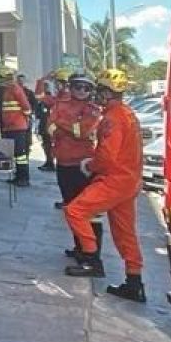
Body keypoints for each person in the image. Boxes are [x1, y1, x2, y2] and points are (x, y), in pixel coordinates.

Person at [62, 68, 146, 301]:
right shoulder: (128, 114)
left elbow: (107, 156)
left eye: (99, 90)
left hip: (115, 180)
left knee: (75, 211)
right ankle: (134, 281)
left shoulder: (113, 118)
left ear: (108, 92)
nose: (95, 94)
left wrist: (90, 166)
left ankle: (91, 260)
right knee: (125, 232)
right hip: (129, 181)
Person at [48, 73, 107, 255]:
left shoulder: (93, 109)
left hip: (83, 166)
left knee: (87, 212)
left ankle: (91, 253)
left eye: (86, 88)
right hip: (63, 163)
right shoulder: (60, 104)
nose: (82, 91)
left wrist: (60, 124)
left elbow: (81, 131)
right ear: (71, 87)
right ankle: (79, 247)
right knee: (70, 208)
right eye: (78, 87)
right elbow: (49, 129)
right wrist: (66, 127)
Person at [0, 71, 34, 186]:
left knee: (21, 155)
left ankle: (23, 178)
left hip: (17, 126)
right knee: (16, 154)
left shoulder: (14, 88)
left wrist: (25, 118)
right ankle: (18, 176)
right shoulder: (7, 89)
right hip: (11, 127)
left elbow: (26, 107)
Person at [34, 70, 63, 170]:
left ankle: (50, 163)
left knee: (49, 144)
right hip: (48, 124)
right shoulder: (56, 97)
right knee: (47, 144)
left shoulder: (56, 98)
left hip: (52, 126)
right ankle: (50, 162)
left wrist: (42, 80)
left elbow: (38, 95)